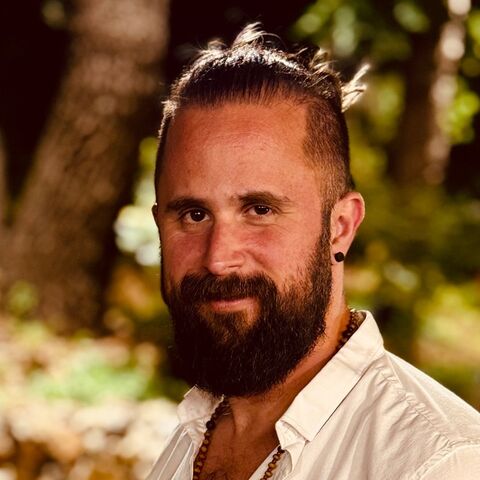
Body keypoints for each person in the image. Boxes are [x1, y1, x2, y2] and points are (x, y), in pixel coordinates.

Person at [147, 24, 480, 480]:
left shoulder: (439, 464)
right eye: (194, 214)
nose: (218, 259)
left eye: (260, 210)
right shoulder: (194, 433)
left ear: (340, 228)